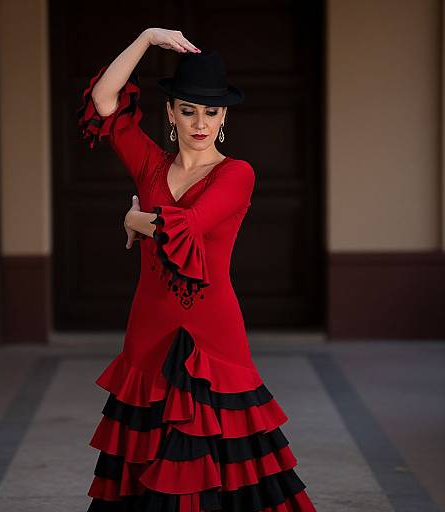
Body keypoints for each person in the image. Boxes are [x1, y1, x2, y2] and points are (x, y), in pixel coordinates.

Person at [77, 27, 318, 512]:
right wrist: (146, 39)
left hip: (213, 332)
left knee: (226, 459)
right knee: (146, 455)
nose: (200, 122)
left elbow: (184, 226)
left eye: (211, 111)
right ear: (170, 112)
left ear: (224, 115)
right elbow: (105, 100)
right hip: (149, 326)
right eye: (188, 109)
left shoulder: (237, 174)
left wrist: (132, 218)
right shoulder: (150, 165)